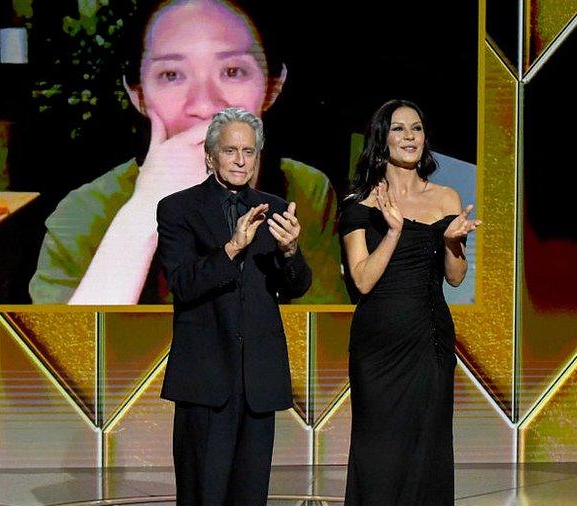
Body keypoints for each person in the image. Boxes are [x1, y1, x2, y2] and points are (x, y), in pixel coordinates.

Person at [28, 0, 345, 304]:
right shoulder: (85, 213)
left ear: (272, 87)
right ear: (138, 95)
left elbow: (321, 339)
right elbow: (64, 356)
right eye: (171, 75)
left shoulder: (305, 192)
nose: (205, 105)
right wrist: (140, 219)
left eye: (233, 71)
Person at [157, 107, 310, 506]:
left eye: (249, 151)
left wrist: (290, 252)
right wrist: (230, 249)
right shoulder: (178, 209)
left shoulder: (276, 210)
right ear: (210, 157)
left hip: (259, 381)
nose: (241, 160)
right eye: (231, 151)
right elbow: (183, 284)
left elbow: (296, 285)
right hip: (206, 381)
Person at [338, 99, 480, 506]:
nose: (409, 137)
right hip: (378, 346)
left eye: (416, 128)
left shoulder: (446, 198)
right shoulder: (359, 203)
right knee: (378, 456)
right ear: (382, 138)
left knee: (427, 453)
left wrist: (454, 243)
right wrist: (395, 231)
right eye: (398, 129)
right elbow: (362, 280)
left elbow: (454, 279)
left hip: (429, 340)